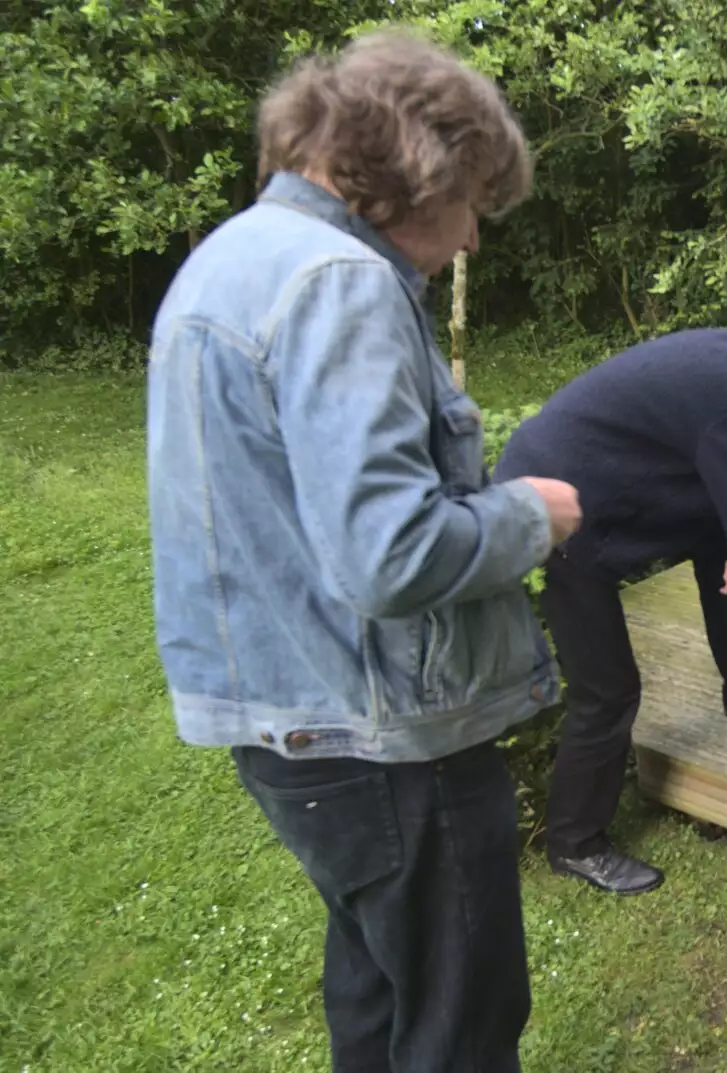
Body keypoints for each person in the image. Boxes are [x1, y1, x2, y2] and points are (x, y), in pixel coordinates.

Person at [146, 32, 580, 1073]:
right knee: (459, 1026)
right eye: (475, 199)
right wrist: (530, 514)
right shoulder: (338, 281)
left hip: (294, 724)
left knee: (380, 988)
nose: (473, 235)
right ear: (422, 169)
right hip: (383, 736)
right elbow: (391, 556)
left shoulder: (233, 259)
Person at [494, 312, 727, 895]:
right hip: (553, 513)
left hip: (595, 478)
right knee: (608, 691)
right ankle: (575, 843)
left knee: (722, 535)